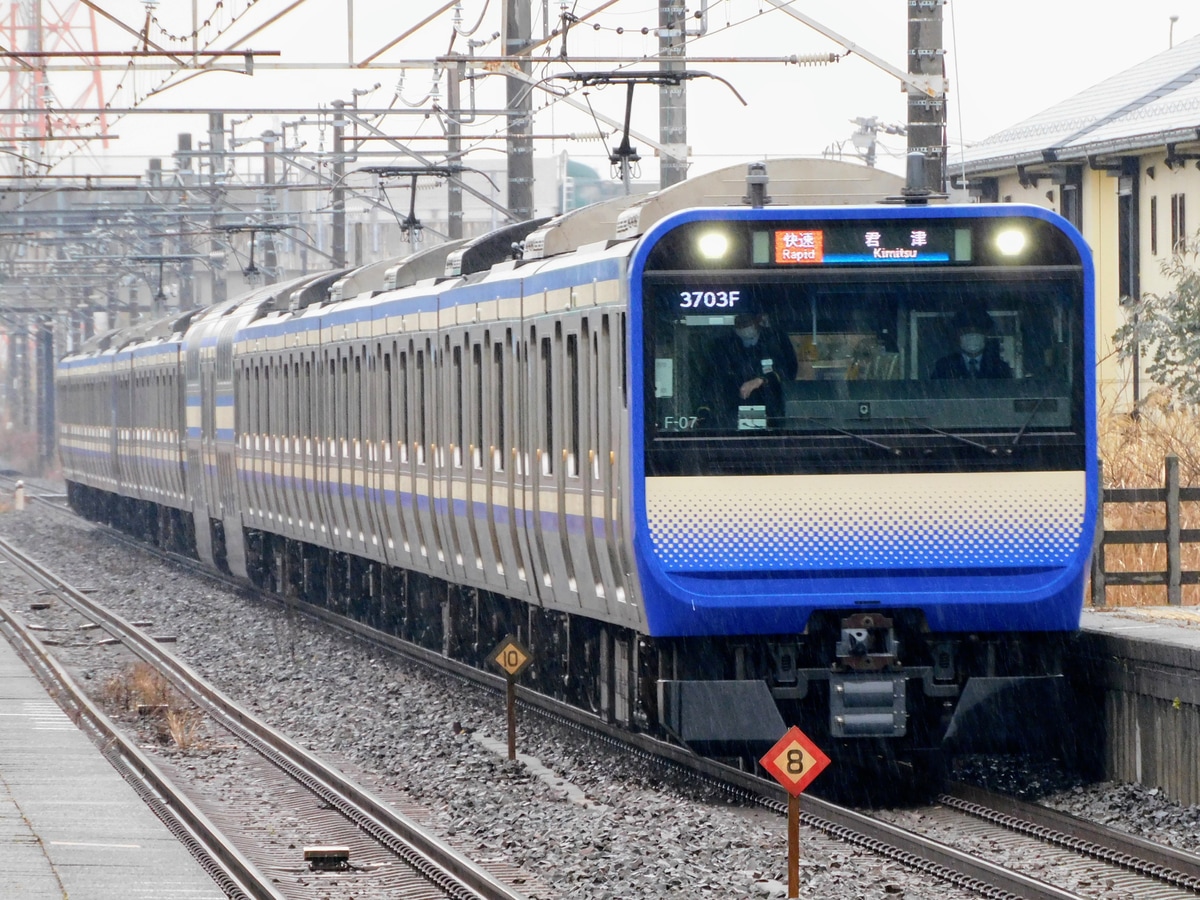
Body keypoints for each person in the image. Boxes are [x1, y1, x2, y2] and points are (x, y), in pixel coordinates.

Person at [707, 312, 798, 427]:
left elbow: (789, 370)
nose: (743, 327)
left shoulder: (776, 339)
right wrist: (705, 411)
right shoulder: (724, 345)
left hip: (772, 412)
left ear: (757, 320)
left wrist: (762, 379)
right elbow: (713, 380)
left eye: (746, 322)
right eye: (738, 323)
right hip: (733, 413)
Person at [931, 307, 1013, 379]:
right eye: (966, 331)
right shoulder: (944, 367)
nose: (972, 335)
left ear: (986, 334)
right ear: (957, 335)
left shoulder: (1000, 368)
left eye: (977, 330)